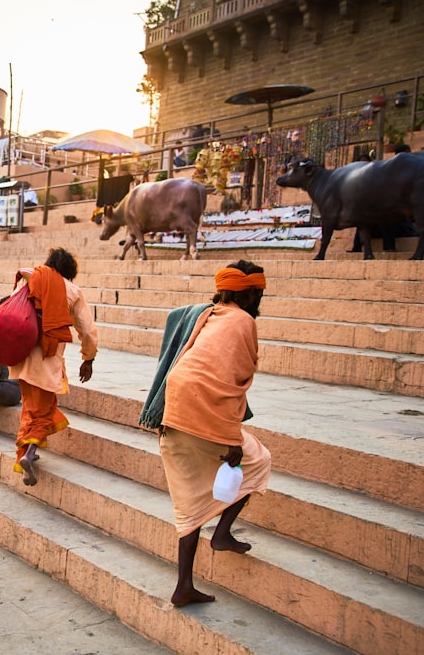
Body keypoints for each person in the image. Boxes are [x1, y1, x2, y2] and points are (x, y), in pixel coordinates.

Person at [139, 260, 272, 607]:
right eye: (259, 293)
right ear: (251, 293)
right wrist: (231, 440)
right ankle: (223, 532)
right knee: (258, 462)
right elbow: (232, 383)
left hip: (171, 410)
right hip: (202, 415)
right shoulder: (243, 321)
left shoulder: (208, 314)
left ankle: (184, 586)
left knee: (188, 508)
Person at [8, 247, 98, 487]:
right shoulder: (72, 290)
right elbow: (86, 330)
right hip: (47, 361)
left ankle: (30, 451)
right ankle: (28, 454)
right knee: (42, 410)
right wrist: (88, 358)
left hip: (21, 356)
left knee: (31, 406)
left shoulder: (30, 280)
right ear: (70, 271)